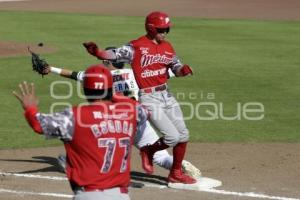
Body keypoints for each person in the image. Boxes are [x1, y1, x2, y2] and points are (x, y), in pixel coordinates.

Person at [41, 47, 201, 179]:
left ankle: (72, 163)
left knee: (96, 148)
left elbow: (74, 75)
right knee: (159, 156)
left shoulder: (100, 76)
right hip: (138, 122)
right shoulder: (137, 73)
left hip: (115, 124)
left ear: (108, 61)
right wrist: (181, 70)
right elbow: (170, 72)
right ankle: (178, 165)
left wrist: (51, 69)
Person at [82, 11, 196, 184]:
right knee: (172, 137)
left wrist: (183, 71)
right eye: (161, 29)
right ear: (150, 28)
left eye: (167, 29)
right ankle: (148, 151)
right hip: (149, 97)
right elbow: (115, 54)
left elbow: (176, 68)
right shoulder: (136, 46)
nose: (164, 32)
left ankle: (175, 173)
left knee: (184, 135)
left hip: (167, 95)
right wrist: (98, 52)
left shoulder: (168, 47)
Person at [13, 65, 148, 200]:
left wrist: (30, 108)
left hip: (89, 195)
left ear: (85, 91)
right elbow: (143, 111)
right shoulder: (131, 113)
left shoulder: (75, 116)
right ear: (110, 89)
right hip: (121, 196)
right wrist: (112, 93)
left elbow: (39, 125)